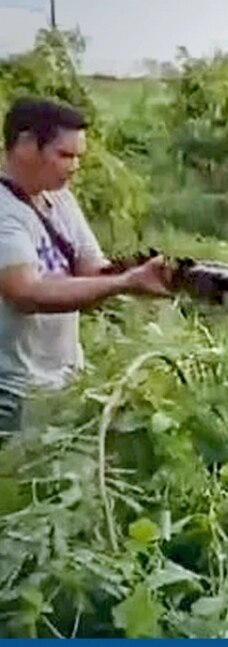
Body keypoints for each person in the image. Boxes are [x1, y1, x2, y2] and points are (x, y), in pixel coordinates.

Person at [0, 97, 170, 436]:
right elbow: (27, 292)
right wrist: (126, 282)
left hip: (62, 382)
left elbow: (92, 270)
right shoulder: (5, 211)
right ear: (26, 145)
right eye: (64, 155)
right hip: (15, 391)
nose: (74, 166)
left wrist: (145, 271)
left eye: (78, 157)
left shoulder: (59, 198)